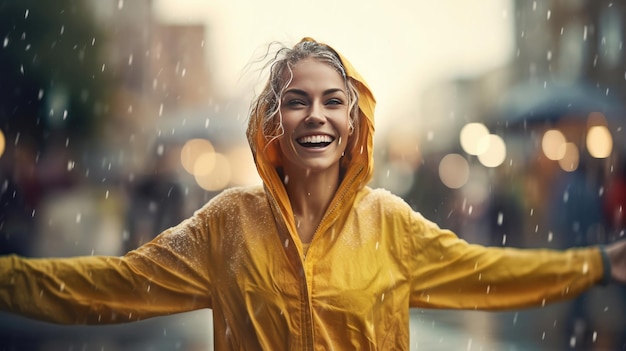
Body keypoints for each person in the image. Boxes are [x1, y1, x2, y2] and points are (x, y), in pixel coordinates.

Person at [1, 37, 625, 350]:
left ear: (354, 122)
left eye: (333, 101)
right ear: (273, 123)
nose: (316, 116)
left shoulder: (391, 224)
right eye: (296, 101)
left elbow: (490, 273)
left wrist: (597, 264)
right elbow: (105, 286)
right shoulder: (226, 225)